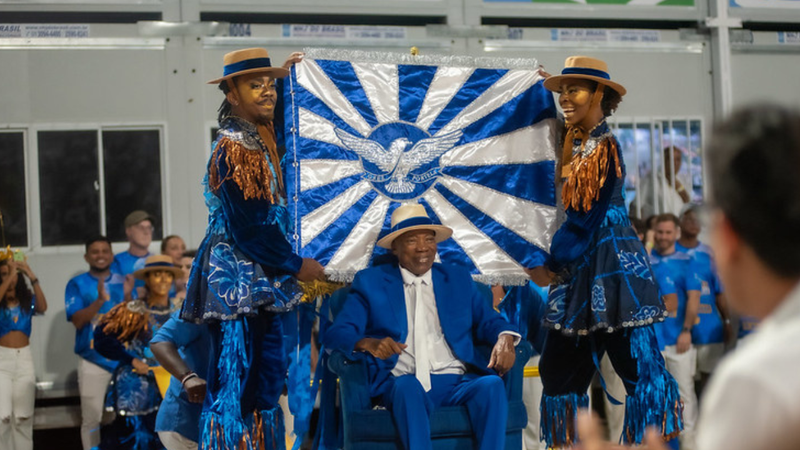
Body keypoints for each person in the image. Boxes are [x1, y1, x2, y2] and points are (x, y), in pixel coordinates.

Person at [526, 56, 681, 447]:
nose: (565, 98)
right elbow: (561, 136)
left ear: (600, 95)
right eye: (562, 91)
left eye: (573, 89)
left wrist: (552, 265)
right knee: (559, 370)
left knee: (640, 370)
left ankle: (663, 441)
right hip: (583, 268)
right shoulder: (580, 141)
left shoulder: (601, 148)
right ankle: (564, 443)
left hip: (609, 266)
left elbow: (583, 220)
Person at [179, 47, 325, 450]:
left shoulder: (259, 138)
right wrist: (297, 265)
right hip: (235, 286)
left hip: (261, 281)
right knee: (236, 388)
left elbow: (282, 118)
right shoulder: (234, 149)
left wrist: (298, 79)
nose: (267, 93)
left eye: (270, 85)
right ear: (231, 94)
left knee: (264, 389)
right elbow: (249, 228)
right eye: (254, 85)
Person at [325, 203, 519, 450]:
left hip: (456, 381)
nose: (423, 248)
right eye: (411, 241)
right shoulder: (371, 283)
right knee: (407, 388)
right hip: (404, 382)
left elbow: (490, 321)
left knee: (491, 386)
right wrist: (367, 343)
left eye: (429, 239)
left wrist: (505, 337)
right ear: (395, 247)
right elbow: (336, 334)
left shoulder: (457, 279)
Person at [94, 254, 183, 450]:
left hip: (174, 385)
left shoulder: (181, 311)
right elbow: (101, 339)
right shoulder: (132, 311)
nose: (162, 280)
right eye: (157, 275)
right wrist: (132, 361)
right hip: (138, 386)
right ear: (148, 279)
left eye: (167, 275)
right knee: (136, 439)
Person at [65, 236, 131, 450]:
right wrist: (100, 301)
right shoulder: (77, 284)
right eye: (95, 252)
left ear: (112, 256)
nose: (100, 255)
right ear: (86, 256)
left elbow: (135, 321)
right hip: (93, 361)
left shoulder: (124, 282)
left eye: (105, 251)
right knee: (92, 420)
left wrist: (129, 296)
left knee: (121, 417)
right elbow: (77, 321)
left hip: (122, 360)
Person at [649, 213, 702, 450]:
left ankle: (690, 444)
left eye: (668, 232)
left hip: (679, 340)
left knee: (684, 395)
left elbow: (693, 300)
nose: (663, 236)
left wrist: (686, 331)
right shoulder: (646, 261)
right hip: (654, 343)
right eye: (659, 232)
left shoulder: (688, 262)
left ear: (676, 233)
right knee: (657, 396)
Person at [675, 206, 730, 395]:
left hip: (708, 328)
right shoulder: (668, 251)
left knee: (710, 380)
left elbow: (720, 292)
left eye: (698, 220)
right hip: (676, 330)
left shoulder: (710, 254)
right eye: (689, 219)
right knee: (683, 383)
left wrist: (727, 321)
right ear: (680, 222)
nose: (693, 223)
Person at [0, 258, 46, 450]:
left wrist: (30, 274)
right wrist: (11, 273)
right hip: (2, 361)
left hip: (24, 359)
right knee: (3, 417)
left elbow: (43, 307)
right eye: (3, 273)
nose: (9, 278)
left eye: (12, 275)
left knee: (23, 417)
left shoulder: (27, 302)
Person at [150, 314, 210, 450]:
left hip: (225, 423)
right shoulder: (202, 305)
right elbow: (159, 342)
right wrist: (187, 377)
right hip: (186, 424)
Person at [637, 146, 691, 218]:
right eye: (670, 159)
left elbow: (688, 204)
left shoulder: (682, 180)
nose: (674, 163)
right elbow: (636, 206)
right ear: (664, 160)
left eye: (678, 159)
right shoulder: (651, 180)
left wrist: (678, 186)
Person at [112, 210, 156, 276]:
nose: (146, 232)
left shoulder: (157, 261)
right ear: (128, 231)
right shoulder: (117, 262)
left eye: (149, 228)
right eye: (141, 228)